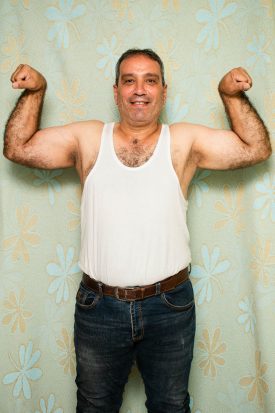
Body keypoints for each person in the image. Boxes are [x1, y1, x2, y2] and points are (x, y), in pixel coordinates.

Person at [3, 49, 271, 413]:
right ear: (116, 92)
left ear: (163, 90)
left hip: (169, 306)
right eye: (129, 80)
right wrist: (35, 92)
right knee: (95, 407)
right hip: (99, 308)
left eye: (150, 80)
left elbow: (256, 148)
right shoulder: (89, 138)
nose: (139, 89)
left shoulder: (182, 141)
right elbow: (18, 147)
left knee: (171, 406)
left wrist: (231, 96)